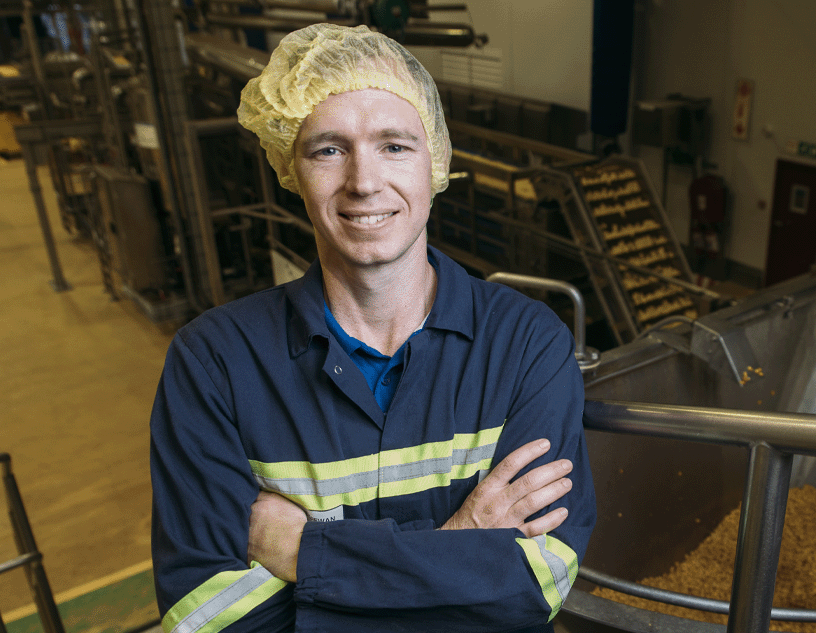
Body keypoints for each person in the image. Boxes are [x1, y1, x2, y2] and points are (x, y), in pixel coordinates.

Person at [149, 23, 595, 632]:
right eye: (329, 149)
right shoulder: (215, 363)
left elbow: (537, 584)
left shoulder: (525, 345)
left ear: (433, 162)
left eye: (394, 146)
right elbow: (206, 617)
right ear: (291, 169)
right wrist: (462, 542)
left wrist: (303, 555)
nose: (363, 181)